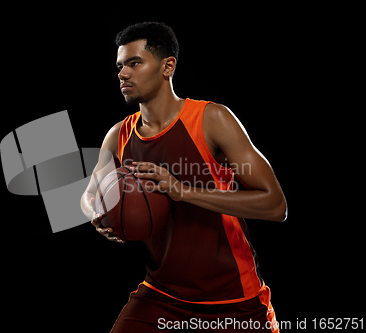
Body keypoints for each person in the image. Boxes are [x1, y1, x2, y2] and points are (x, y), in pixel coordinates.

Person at [80, 22, 287, 332]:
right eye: (120, 65)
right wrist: (96, 213)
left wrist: (182, 191)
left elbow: (275, 206)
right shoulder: (119, 135)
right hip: (161, 295)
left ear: (168, 67)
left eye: (134, 63)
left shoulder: (211, 119)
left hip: (234, 300)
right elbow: (90, 192)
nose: (122, 73)